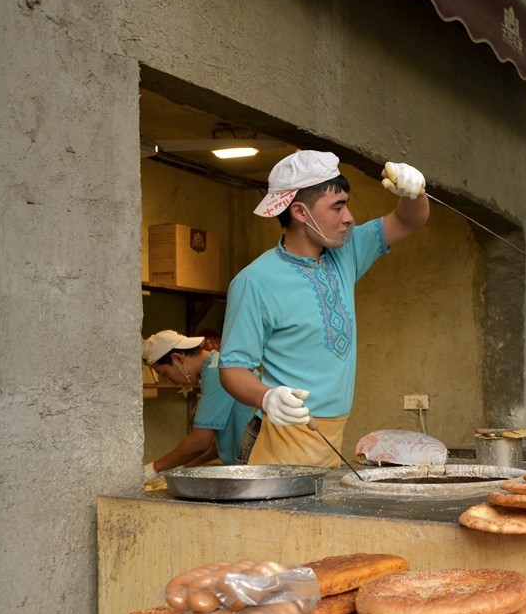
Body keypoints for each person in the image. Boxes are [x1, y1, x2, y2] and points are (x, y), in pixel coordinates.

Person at [218, 150, 429, 466]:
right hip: (277, 440)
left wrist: (415, 193)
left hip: (328, 441)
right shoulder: (255, 281)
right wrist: (266, 396)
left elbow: (408, 219)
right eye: (337, 206)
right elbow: (231, 368)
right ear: (300, 212)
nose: (349, 217)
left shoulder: (346, 252)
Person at [142, 330, 254, 482]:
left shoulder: (217, 373)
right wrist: (184, 466)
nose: (168, 380)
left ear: (177, 358)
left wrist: (153, 469)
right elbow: (220, 446)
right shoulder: (217, 366)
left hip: (255, 468)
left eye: (164, 373)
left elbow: (200, 442)